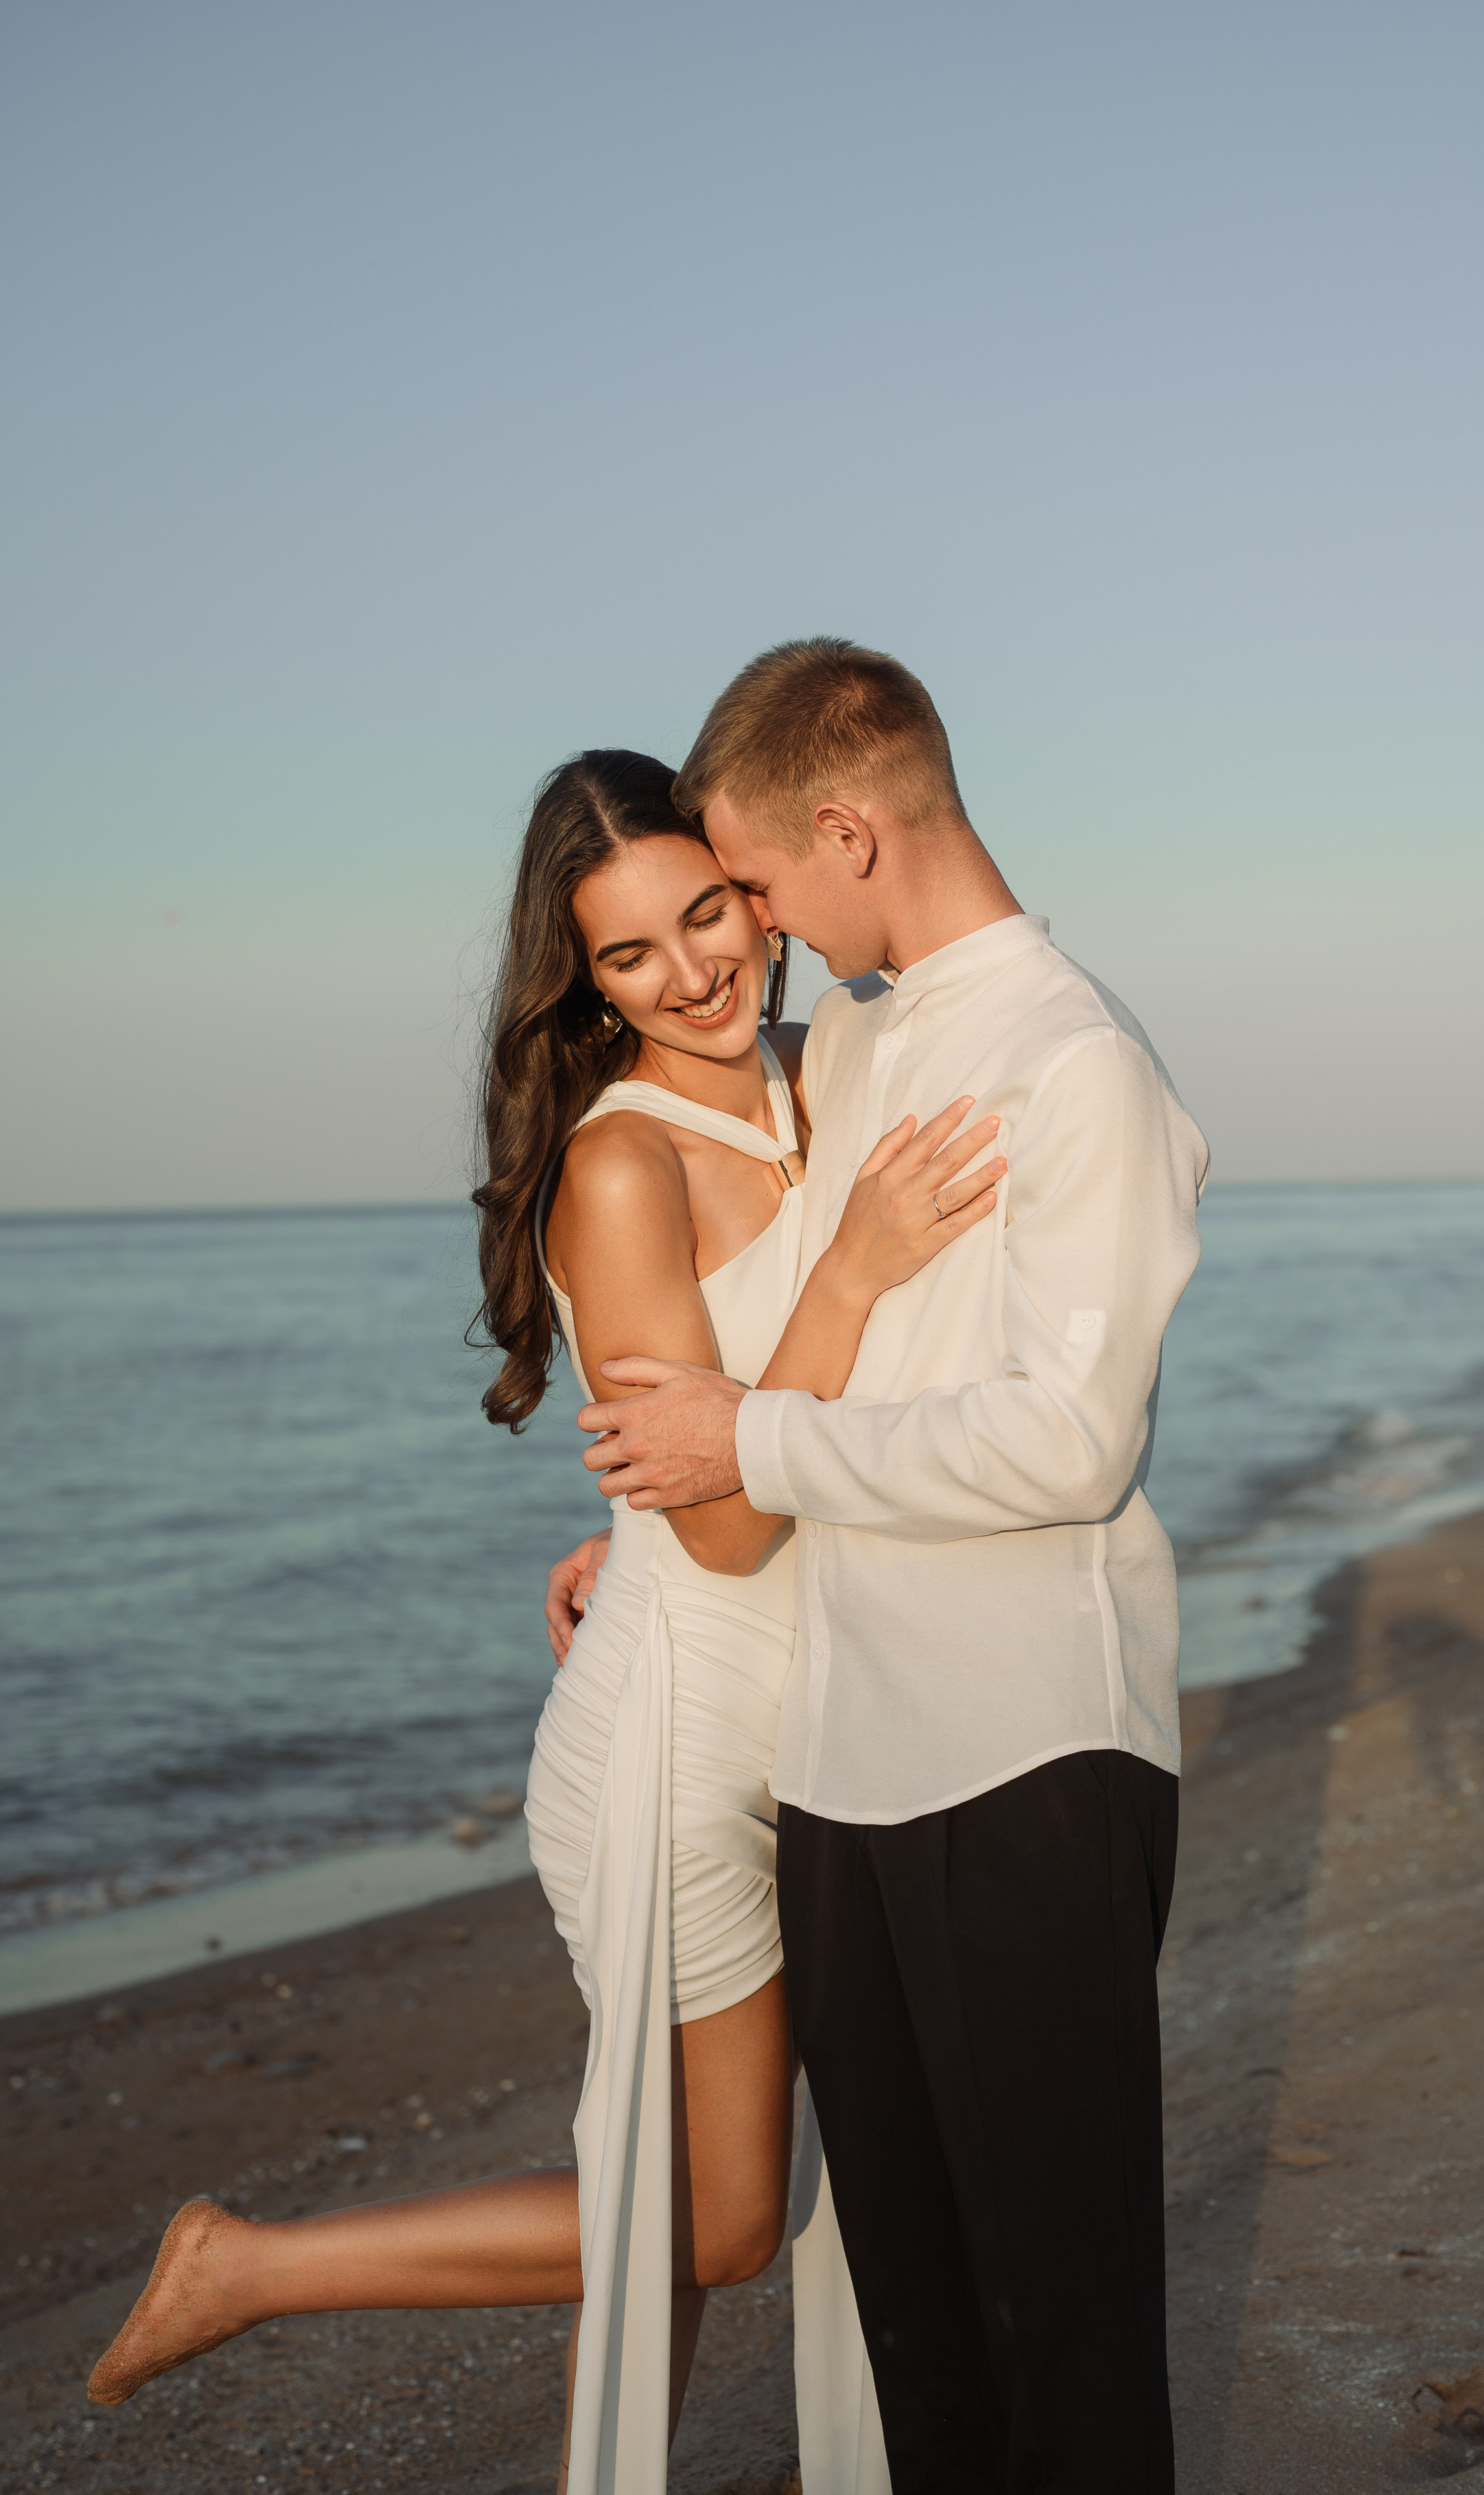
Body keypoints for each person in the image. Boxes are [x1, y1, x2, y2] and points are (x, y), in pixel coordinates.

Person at [86, 749, 1005, 2495]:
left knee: (671, 2202)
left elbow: (747, 1419)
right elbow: (727, 1522)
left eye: (705, 916)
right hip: (673, 1750)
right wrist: (854, 1270)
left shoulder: (818, 1076)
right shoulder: (623, 1166)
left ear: (757, 895)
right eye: (627, 954)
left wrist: (617, 1522)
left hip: (813, 1725)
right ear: (579, 984)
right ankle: (249, 2268)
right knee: (719, 2218)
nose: (691, 973)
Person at [550, 643, 1209, 2495]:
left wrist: (742, 1450)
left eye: (750, 886)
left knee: (1063, 2338)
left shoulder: (1078, 1063)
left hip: (1029, 1757)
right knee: (915, 2339)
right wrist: (648, 1522)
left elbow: (1067, 1441)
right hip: (835, 1766)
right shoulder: (847, 1038)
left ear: (846, 833)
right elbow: (790, 1338)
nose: (744, 931)